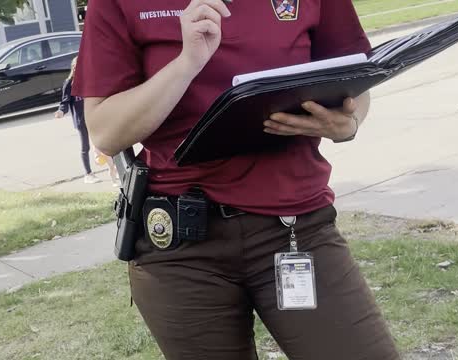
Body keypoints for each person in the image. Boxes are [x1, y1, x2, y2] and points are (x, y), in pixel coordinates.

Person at [73, 0, 400, 359]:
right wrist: (187, 63)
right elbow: (105, 131)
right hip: (182, 247)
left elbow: (353, 76)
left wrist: (349, 123)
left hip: (296, 228)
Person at [55, 57, 119, 185]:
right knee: (85, 147)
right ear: (73, 68)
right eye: (77, 67)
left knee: (104, 142)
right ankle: (88, 174)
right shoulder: (69, 83)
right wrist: (61, 111)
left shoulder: (89, 81)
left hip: (94, 117)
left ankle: (113, 169)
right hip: (81, 120)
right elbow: (65, 101)